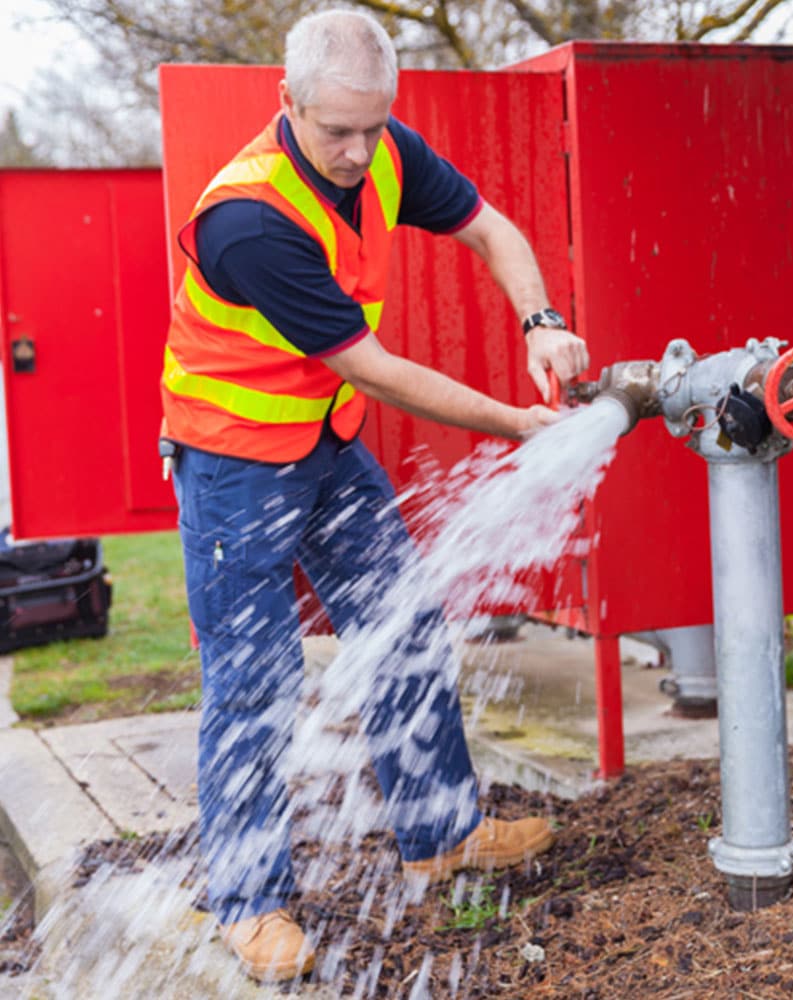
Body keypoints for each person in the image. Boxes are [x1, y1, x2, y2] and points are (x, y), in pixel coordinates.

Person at [160, 7, 589, 985]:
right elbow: (375, 367)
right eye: (335, 132)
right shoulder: (246, 218)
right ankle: (249, 897)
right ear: (287, 104)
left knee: (405, 627)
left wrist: (542, 319)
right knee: (254, 678)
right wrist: (516, 423)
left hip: (323, 442)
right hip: (231, 460)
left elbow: (490, 229)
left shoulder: (388, 149)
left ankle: (440, 829)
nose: (359, 152)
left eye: (372, 125)